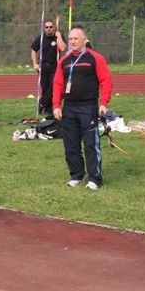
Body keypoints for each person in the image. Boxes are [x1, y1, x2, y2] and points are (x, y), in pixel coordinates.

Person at [53, 25, 112, 191]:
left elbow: (106, 81)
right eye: (70, 39)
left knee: (90, 144)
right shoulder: (63, 61)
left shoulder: (95, 58)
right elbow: (57, 84)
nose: (72, 42)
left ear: (84, 40)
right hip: (69, 107)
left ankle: (94, 178)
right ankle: (76, 175)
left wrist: (103, 103)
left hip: (88, 107)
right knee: (70, 144)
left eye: (76, 39)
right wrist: (57, 105)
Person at [31, 20, 67, 117]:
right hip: (43, 67)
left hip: (55, 66)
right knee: (45, 88)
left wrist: (59, 37)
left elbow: (63, 48)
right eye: (47, 27)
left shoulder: (58, 37)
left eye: (50, 27)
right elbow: (33, 50)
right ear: (44, 28)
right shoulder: (41, 38)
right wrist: (35, 64)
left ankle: (41, 103)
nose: (49, 29)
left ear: (54, 27)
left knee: (54, 87)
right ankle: (48, 109)